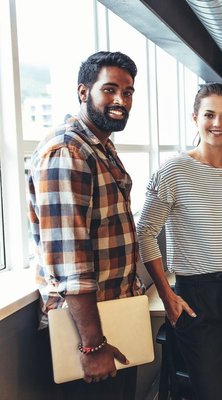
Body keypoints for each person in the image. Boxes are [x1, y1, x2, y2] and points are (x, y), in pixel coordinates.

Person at [136, 83, 222, 400]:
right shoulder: (174, 169)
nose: (217, 123)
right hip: (196, 292)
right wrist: (167, 294)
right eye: (209, 115)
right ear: (195, 118)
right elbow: (145, 233)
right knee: (213, 391)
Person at [28, 51, 144, 400]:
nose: (120, 100)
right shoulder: (68, 152)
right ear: (83, 92)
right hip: (86, 334)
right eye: (109, 90)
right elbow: (70, 262)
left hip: (113, 316)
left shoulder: (100, 146)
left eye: (128, 92)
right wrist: (93, 346)